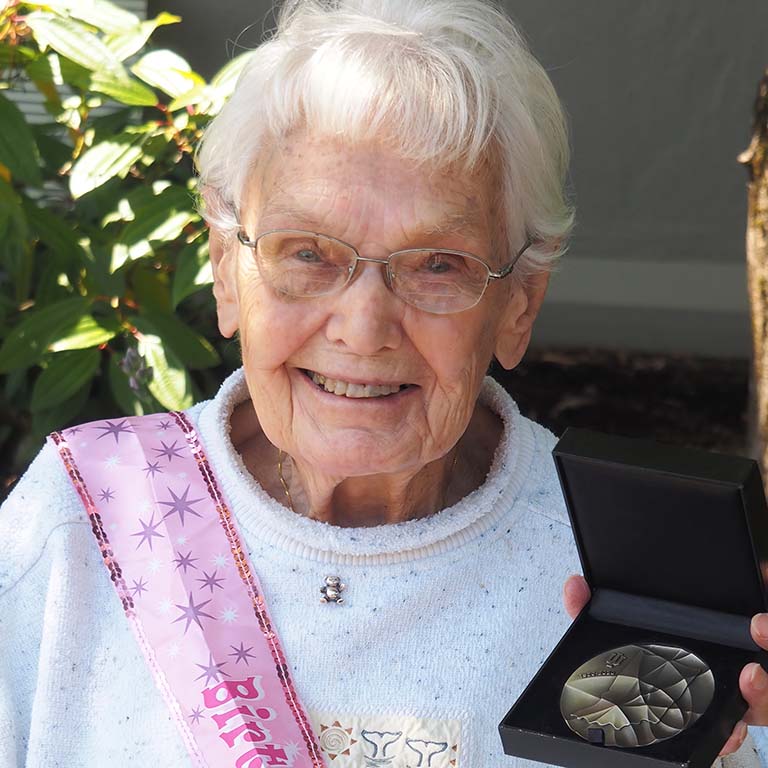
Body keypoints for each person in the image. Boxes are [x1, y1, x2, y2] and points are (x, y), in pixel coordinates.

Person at [0, 1, 766, 766]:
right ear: (227, 271)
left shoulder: (629, 570)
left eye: (437, 264)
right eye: (307, 253)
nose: (363, 328)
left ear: (519, 303)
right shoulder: (83, 523)